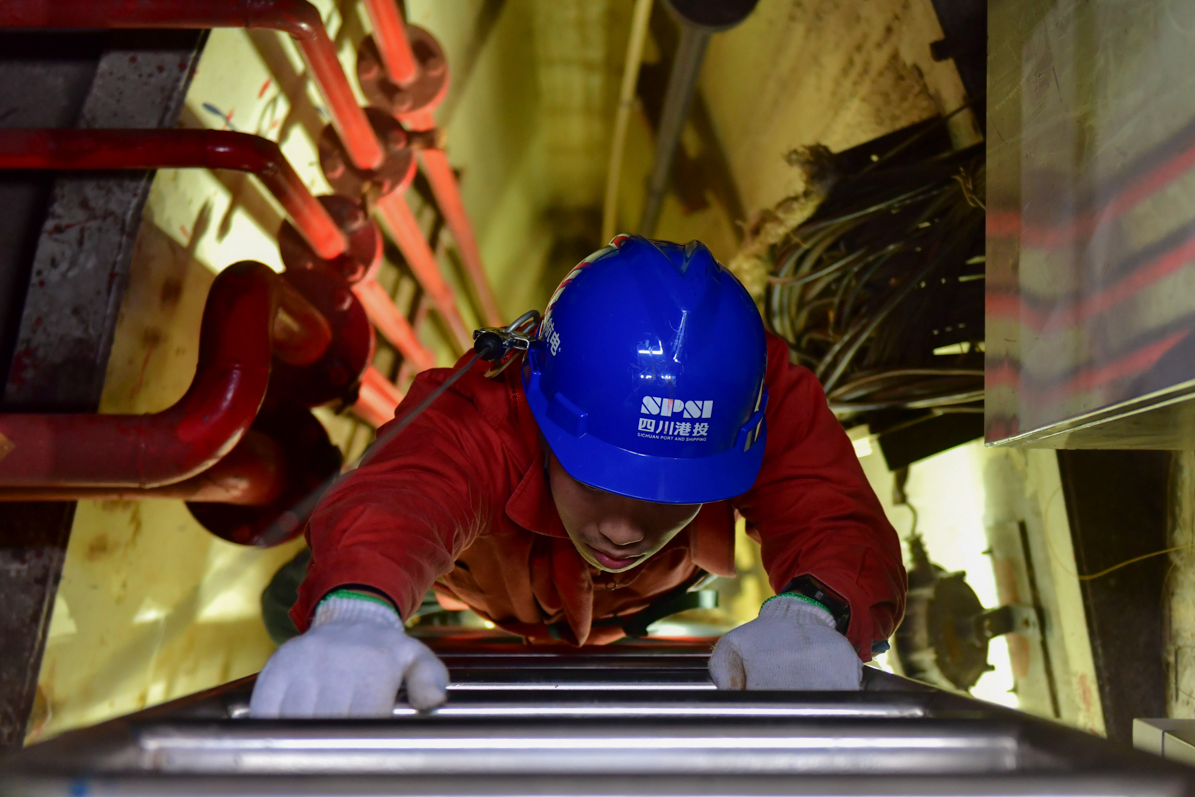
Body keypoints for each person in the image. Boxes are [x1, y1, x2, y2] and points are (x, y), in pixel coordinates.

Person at [251, 235, 905, 717]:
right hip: (478, 586)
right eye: (596, 478)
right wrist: (360, 606)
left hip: (643, 604)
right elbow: (408, 492)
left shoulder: (747, 393)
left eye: (671, 491)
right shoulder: (490, 408)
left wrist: (815, 610)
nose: (623, 531)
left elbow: (830, 513)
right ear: (543, 409)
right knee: (292, 604)